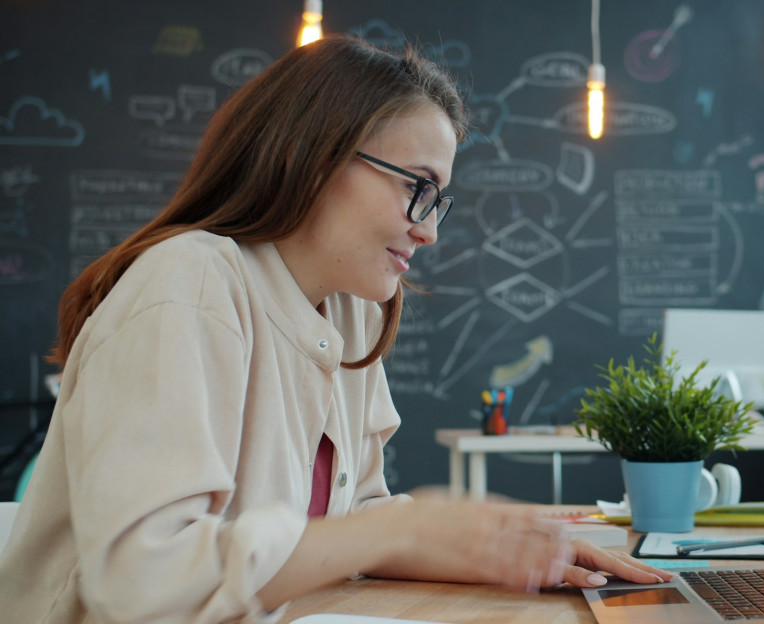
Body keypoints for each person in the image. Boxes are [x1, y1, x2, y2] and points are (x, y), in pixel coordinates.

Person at [0, 36, 672, 623]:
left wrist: (516, 550)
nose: (430, 229)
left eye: (440, 200)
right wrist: (406, 527)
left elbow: (350, 525)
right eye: (418, 187)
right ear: (308, 155)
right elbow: (141, 581)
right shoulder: (189, 283)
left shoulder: (349, 310)